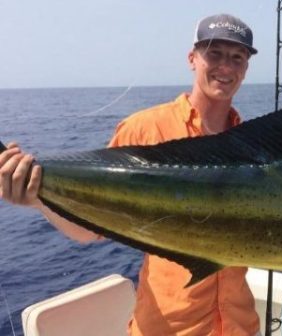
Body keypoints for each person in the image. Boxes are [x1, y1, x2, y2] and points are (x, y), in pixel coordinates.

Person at [0, 13, 261, 336]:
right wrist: (37, 199)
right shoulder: (145, 128)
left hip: (241, 327)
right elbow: (90, 229)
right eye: (215, 53)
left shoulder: (251, 144)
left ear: (246, 69)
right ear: (192, 59)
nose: (226, 66)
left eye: (237, 57)